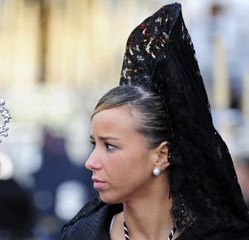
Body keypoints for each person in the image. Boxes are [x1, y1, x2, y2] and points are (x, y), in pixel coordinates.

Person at [59, 3, 249, 240]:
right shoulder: (82, 235)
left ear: (161, 155)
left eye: (110, 146)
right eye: (93, 144)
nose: (90, 162)